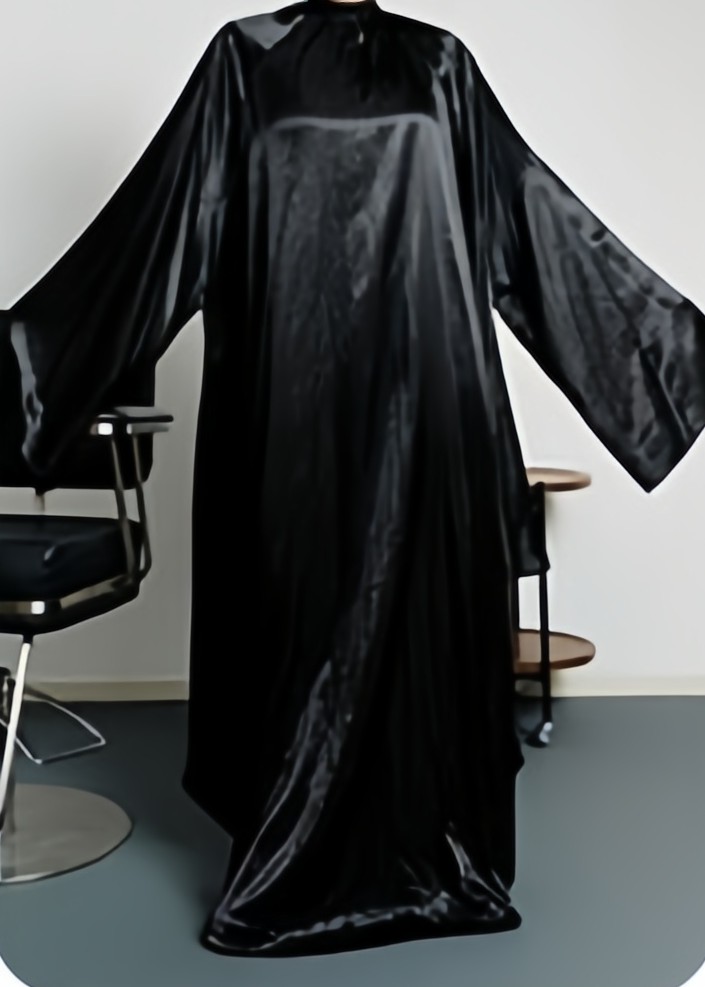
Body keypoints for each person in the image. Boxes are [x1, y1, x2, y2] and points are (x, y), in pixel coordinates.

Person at [2, 0, 704, 956]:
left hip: (430, 416)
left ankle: (435, 855)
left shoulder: (440, 64)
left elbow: (531, 220)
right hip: (286, 418)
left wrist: (666, 352)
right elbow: (156, 232)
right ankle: (292, 861)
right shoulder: (243, 60)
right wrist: (25, 367)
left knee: (424, 634)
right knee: (298, 628)